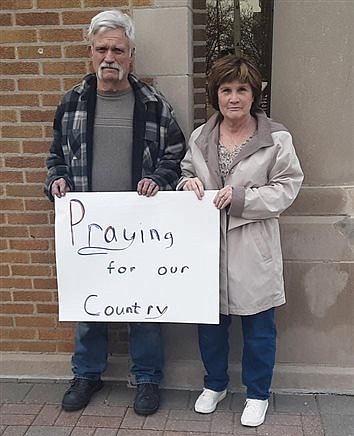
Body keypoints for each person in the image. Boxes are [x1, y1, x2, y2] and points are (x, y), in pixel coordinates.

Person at [44, 9, 185, 416]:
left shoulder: (153, 104)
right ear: (90, 51)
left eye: (118, 49)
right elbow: (56, 155)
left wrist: (158, 177)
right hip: (88, 228)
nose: (110, 57)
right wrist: (56, 181)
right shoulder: (71, 102)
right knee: (90, 304)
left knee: (144, 306)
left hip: (140, 228)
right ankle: (87, 373)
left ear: (131, 54)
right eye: (102, 48)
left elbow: (175, 155)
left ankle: (147, 379)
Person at [177, 55, 303, 427]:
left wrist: (244, 198)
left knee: (259, 328)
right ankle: (214, 384)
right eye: (226, 89)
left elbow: (287, 186)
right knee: (210, 325)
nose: (234, 97)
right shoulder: (201, 136)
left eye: (242, 89)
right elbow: (185, 171)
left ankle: (257, 394)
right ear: (216, 95)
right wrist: (188, 184)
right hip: (208, 247)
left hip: (253, 246)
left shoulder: (276, 138)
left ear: (254, 95)